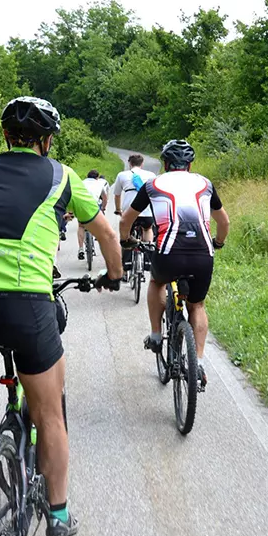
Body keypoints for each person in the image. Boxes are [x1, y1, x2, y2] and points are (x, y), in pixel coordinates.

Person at [0, 96, 123, 536]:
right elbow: (104, 232)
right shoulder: (62, 177)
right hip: (28, 307)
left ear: (6, 136)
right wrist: (115, 275)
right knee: (50, 416)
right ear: (47, 140)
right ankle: (60, 514)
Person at [118, 140, 229, 391]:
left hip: (168, 254)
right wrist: (218, 243)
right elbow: (225, 223)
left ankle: (157, 336)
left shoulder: (153, 184)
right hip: (202, 254)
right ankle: (198, 363)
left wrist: (126, 240)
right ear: (190, 165)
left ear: (165, 164)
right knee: (197, 305)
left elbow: (127, 219)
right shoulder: (205, 184)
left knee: (157, 281)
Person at [113, 154, 157, 278]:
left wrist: (118, 209)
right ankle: (148, 260)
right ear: (142, 164)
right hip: (147, 211)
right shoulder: (151, 176)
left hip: (129, 211)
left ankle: (126, 268)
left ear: (129, 163)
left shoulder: (122, 175)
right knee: (148, 229)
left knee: (126, 237)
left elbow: (117, 195)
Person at [77, 170, 108, 261]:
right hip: (94, 205)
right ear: (97, 177)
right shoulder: (100, 184)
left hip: (82, 205)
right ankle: (96, 242)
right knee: (98, 225)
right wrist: (103, 208)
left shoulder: (81, 183)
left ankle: (81, 248)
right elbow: (105, 198)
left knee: (81, 226)